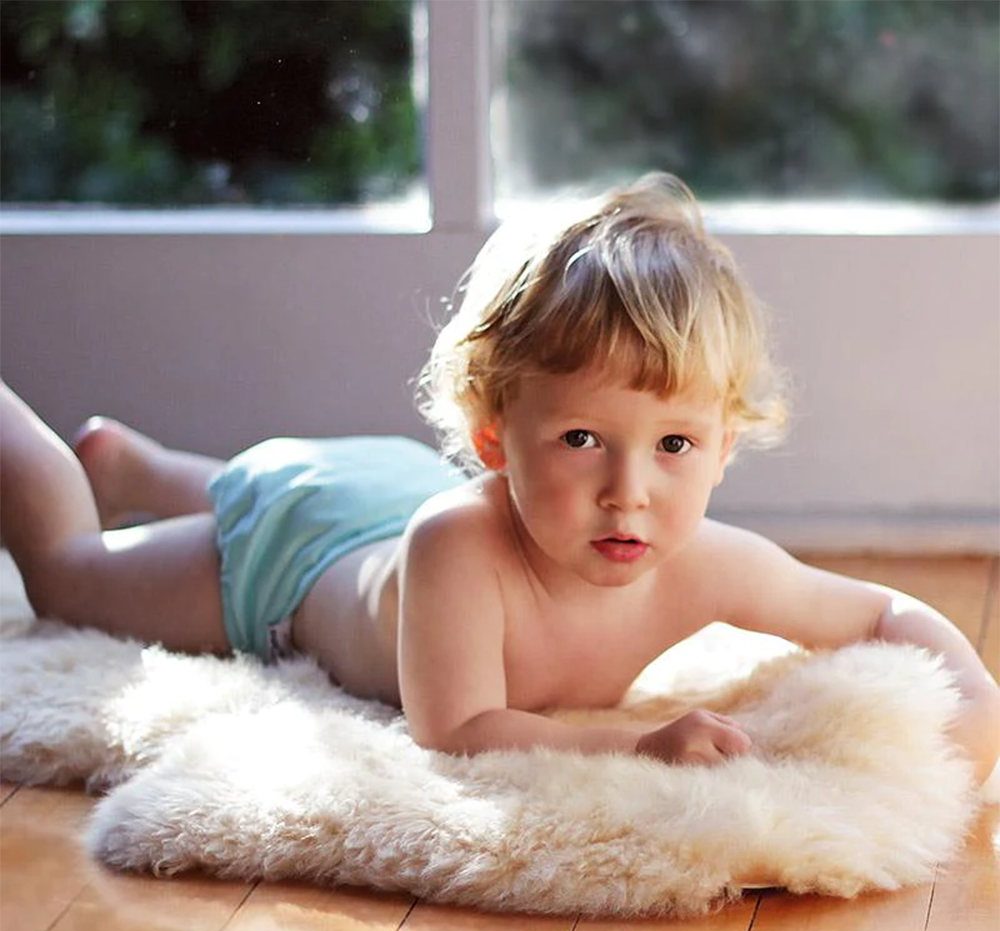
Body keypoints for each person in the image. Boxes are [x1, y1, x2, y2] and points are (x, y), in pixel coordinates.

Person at [2, 173, 997, 782]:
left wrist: (977, 701)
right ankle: (52, 442)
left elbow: (881, 612)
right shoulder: (458, 547)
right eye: (581, 438)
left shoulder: (708, 561)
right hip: (297, 556)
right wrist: (639, 749)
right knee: (68, 575)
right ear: (494, 440)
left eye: (674, 446)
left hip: (380, 489)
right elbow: (457, 731)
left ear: (725, 445)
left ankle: (140, 466)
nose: (629, 491)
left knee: (247, 487)